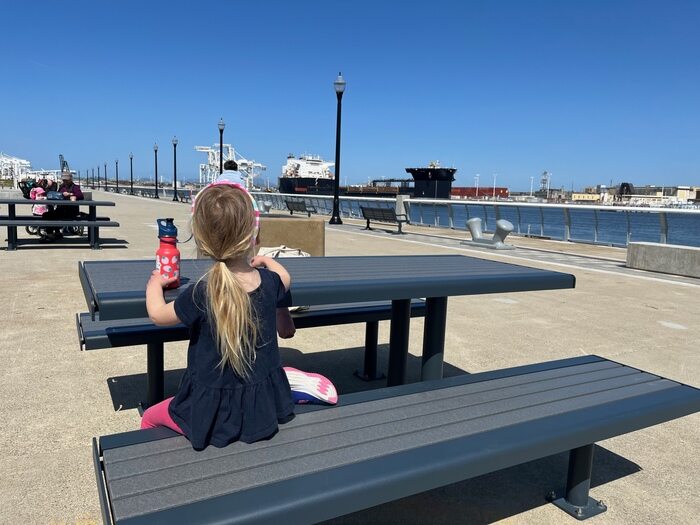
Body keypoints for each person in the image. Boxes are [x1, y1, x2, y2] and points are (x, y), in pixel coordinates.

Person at [141, 182, 336, 451]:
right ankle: (287, 384)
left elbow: (158, 316)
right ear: (254, 238)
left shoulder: (202, 292)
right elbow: (286, 279)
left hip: (211, 412)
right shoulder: (269, 282)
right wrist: (267, 261)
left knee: (150, 417)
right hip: (263, 407)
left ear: (201, 241)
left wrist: (154, 285)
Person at [41, 172, 84, 239]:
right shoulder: (62, 187)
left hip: (70, 211)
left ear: (70, 179)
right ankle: (57, 232)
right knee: (49, 215)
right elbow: (57, 194)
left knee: (48, 215)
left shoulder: (75, 187)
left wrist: (71, 195)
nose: (65, 181)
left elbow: (80, 195)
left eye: (66, 180)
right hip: (61, 209)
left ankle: (50, 234)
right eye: (64, 180)